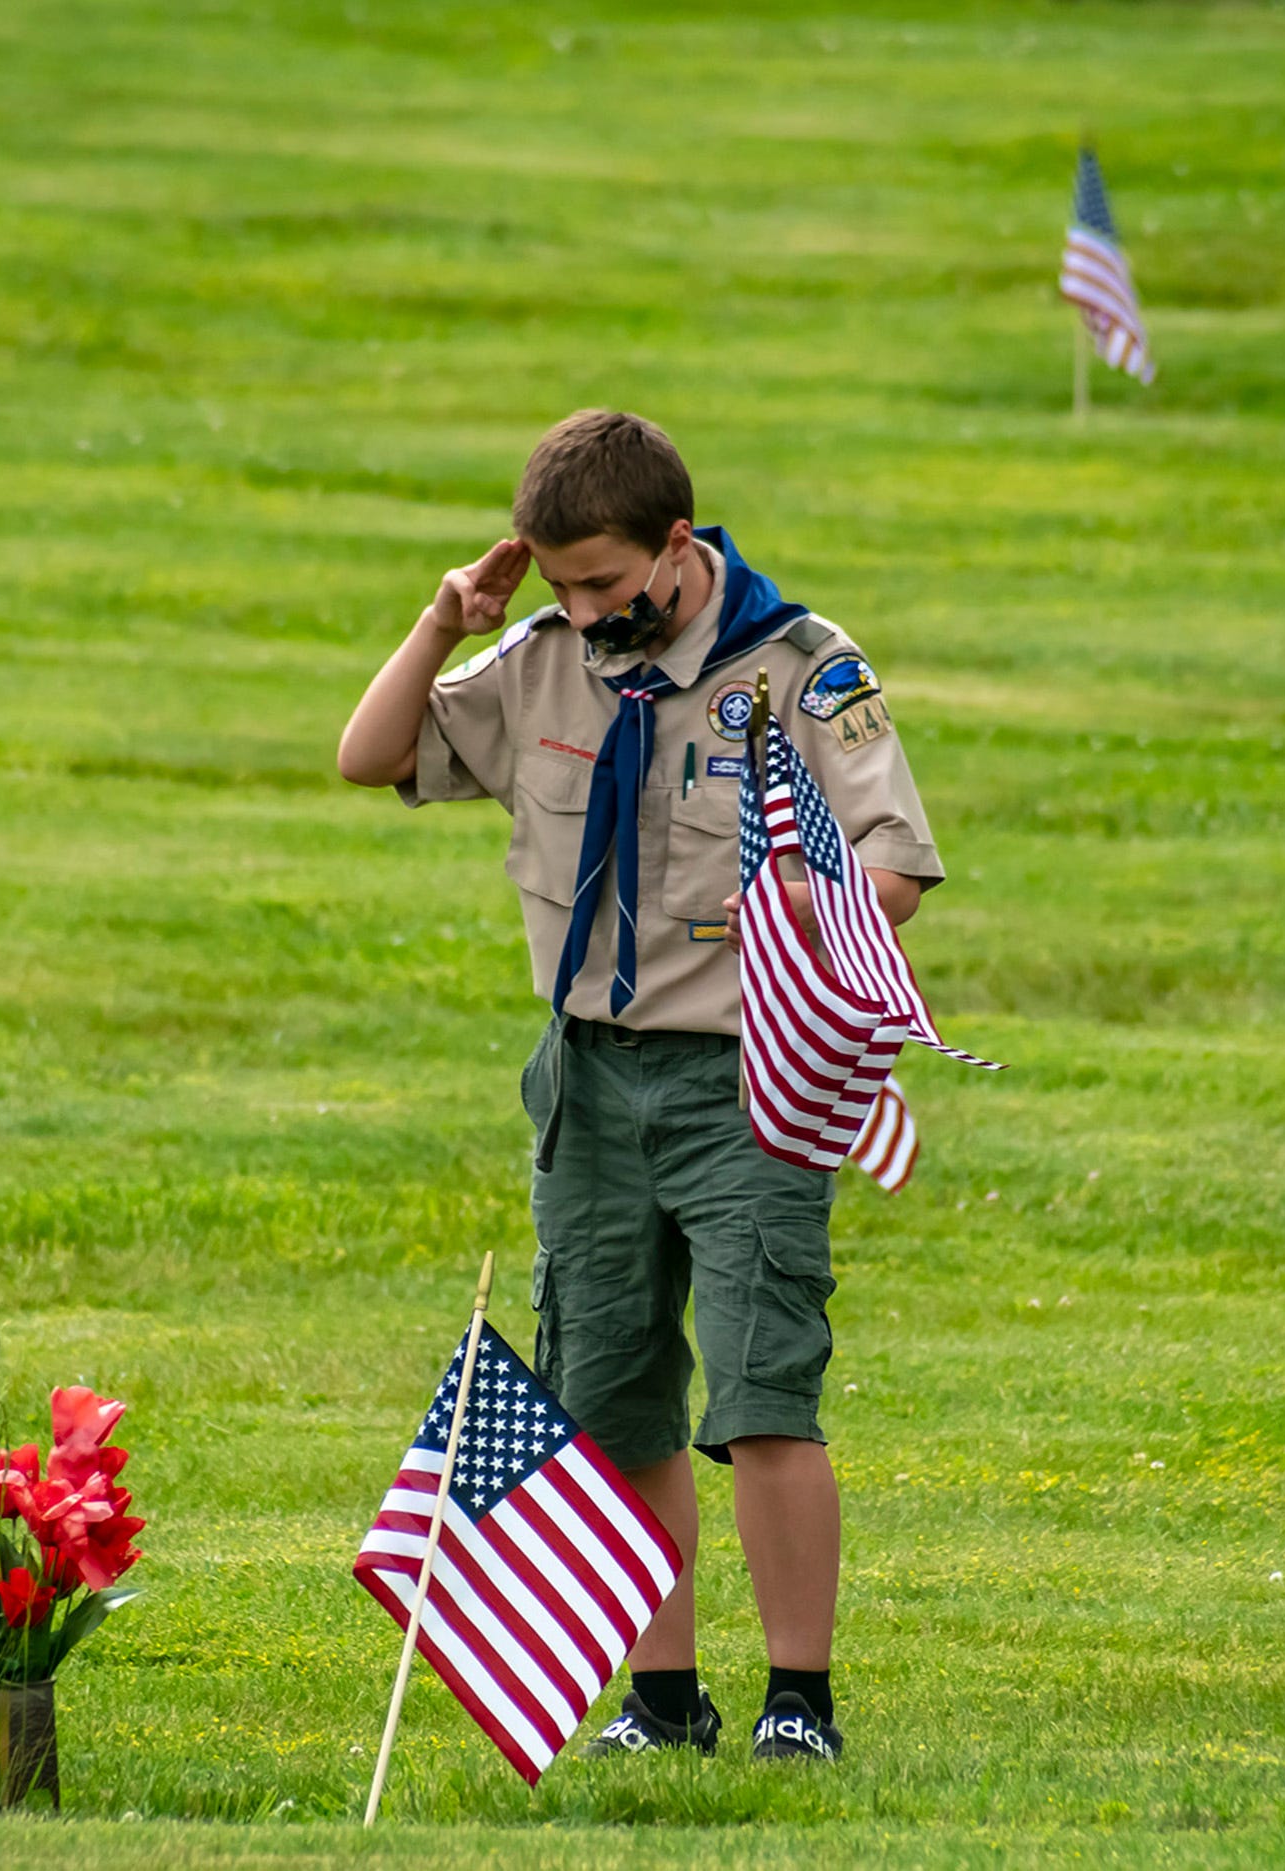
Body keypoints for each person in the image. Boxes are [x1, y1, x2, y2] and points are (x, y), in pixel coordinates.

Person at [336, 410, 944, 1763]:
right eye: (560, 587)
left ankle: (802, 1703)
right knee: (610, 1400)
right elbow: (371, 758)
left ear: (678, 544)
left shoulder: (797, 669)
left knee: (762, 1388)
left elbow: (898, 864)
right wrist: (443, 624)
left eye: (606, 583)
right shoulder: (546, 664)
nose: (586, 608)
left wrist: (808, 901)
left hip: (748, 1076)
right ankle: (663, 1705)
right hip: (590, 1084)